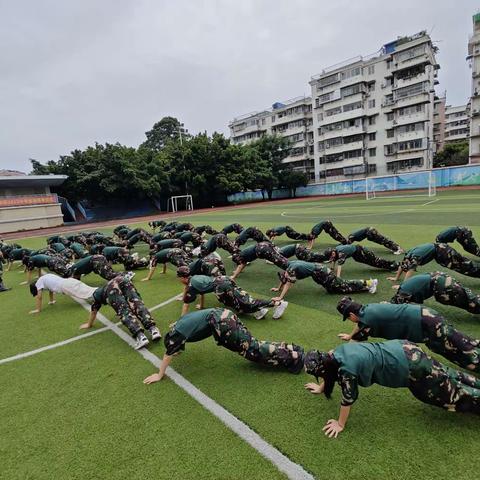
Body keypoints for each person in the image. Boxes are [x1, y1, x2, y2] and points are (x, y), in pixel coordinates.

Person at [304, 340, 480, 438]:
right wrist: (321, 388)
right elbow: (330, 372)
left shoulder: (346, 370)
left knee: (448, 395)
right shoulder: (334, 353)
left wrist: (340, 424)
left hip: (409, 366)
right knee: (447, 374)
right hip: (405, 348)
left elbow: (348, 398)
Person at [143, 307, 304, 384]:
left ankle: (294, 357)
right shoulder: (179, 324)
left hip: (222, 323)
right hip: (224, 314)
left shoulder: (176, 336)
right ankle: (290, 348)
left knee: (252, 350)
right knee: (254, 343)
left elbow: (167, 355)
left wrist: (159, 374)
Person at [336, 297, 480, 372]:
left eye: (348, 318)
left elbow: (351, 348)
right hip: (427, 315)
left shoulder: (368, 321)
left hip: (428, 327)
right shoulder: (368, 309)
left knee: (456, 352)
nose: (350, 321)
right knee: (461, 341)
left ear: (351, 314)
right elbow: (359, 325)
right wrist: (350, 335)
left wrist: (336, 360)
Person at [28, 273, 160, 349]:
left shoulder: (97, 298)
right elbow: (94, 310)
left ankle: (140, 336)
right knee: (136, 302)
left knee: (123, 311)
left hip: (110, 286)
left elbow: (93, 312)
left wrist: (89, 324)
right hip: (121, 279)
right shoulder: (97, 297)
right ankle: (153, 329)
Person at [178, 273, 288, 320]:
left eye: (179, 278)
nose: (179, 280)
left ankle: (277, 304)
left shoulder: (191, 286)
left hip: (221, 286)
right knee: (237, 300)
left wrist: (181, 321)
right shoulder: (195, 277)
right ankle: (259, 311)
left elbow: (186, 305)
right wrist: (201, 306)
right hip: (223, 280)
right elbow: (202, 292)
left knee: (244, 304)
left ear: (183, 277)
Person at [270, 260, 377, 300]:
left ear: (286, 273)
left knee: (342, 286)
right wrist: (277, 288)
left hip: (322, 273)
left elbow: (288, 284)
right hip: (320, 272)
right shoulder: (289, 266)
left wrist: (280, 297)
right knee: (332, 290)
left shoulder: (291, 270)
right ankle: (367, 284)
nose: (284, 282)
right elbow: (285, 281)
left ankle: (370, 283)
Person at [390, 271, 480, 314]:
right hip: (438, 278)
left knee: (469, 301)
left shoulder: (404, 294)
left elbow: (408, 310)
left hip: (440, 283)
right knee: (467, 299)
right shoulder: (404, 289)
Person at [389, 243, 480, 283]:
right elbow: (402, 266)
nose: (405, 271)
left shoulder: (414, 257)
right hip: (441, 250)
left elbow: (410, 270)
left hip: (443, 252)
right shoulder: (408, 255)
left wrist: (404, 285)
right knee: (465, 264)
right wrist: (396, 278)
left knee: (464, 267)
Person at [327, 244, 399, 277]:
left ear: (333, 252)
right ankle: (391, 266)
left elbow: (340, 265)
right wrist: (331, 269)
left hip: (361, 251)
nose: (332, 257)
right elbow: (333, 260)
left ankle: (395, 265)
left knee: (376, 261)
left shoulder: (341, 253)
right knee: (373, 263)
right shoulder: (335, 250)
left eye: (332, 255)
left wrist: (338, 277)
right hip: (357, 255)